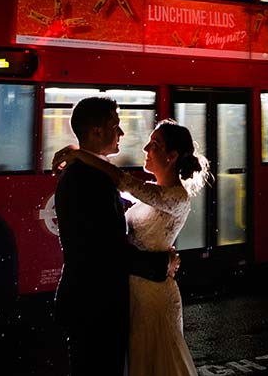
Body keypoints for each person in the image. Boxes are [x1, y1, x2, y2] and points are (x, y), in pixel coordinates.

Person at [53, 119, 208, 376]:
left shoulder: (176, 197)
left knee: (157, 362)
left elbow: (121, 181)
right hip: (136, 288)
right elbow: (118, 185)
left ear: (171, 156)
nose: (146, 148)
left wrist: (80, 153)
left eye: (155, 144)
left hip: (153, 294)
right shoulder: (153, 192)